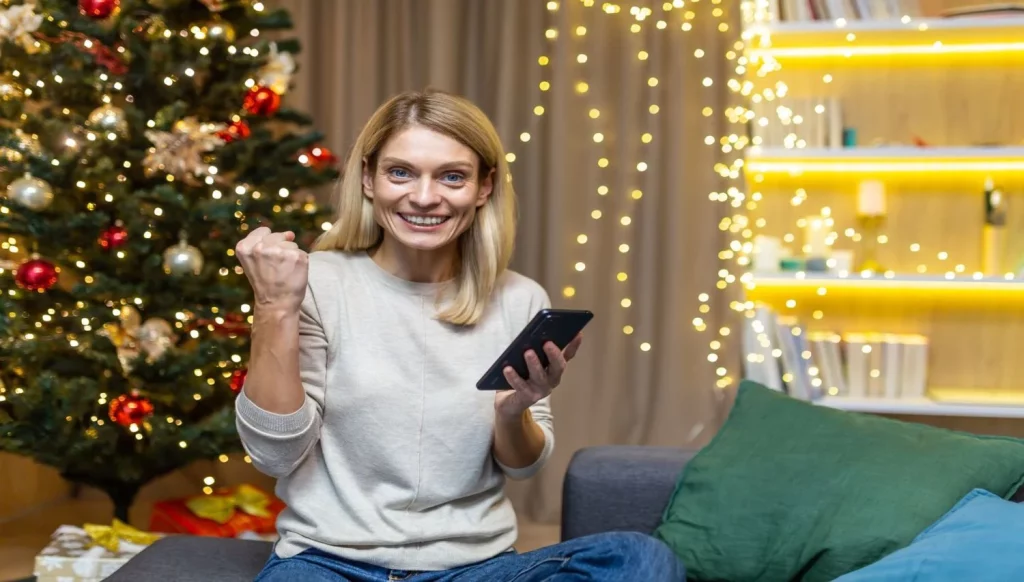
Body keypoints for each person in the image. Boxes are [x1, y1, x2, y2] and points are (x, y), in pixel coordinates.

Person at [234, 89, 687, 582]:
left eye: (452, 176)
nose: (425, 197)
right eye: (400, 172)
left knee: (640, 560)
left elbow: (522, 466)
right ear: (368, 179)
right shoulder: (315, 282)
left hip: (474, 568)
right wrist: (274, 306)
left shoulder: (520, 299)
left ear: (484, 187)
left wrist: (513, 411)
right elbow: (275, 454)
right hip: (327, 561)